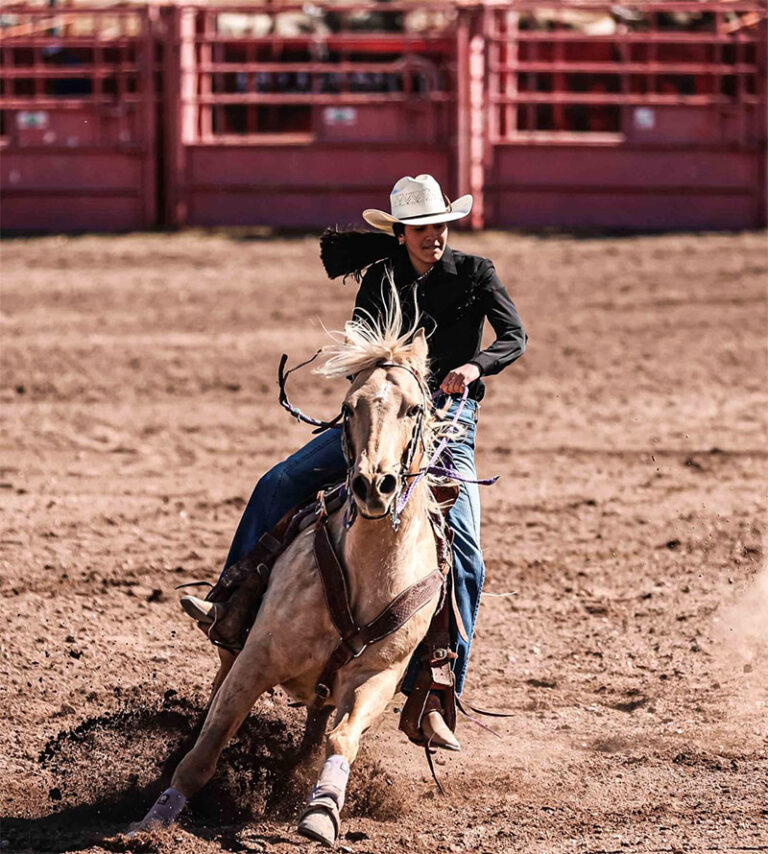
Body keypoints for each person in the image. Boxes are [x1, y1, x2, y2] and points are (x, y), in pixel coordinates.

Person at [182, 174, 527, 749]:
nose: (434, 236)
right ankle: (232, 603)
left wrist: (475, 367)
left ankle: (436, 691)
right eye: (422, 229)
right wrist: (378, 384)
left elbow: (514, 335)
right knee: (278, 482)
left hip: (447, 421)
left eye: (440, 225)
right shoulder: (380, 278)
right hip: (380, 414)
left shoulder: (476, 273)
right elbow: (357, 351)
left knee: (466, 555)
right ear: (401, 233)